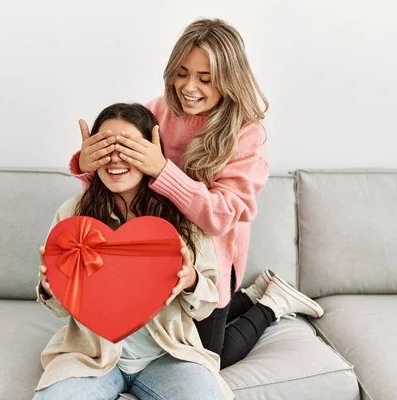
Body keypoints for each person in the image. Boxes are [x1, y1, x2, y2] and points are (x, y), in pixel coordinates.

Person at [70, 19, 324, 369]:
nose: (189, 87)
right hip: (158, 254)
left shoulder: (248, 135)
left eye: (205, 79)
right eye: (182, 73)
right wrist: (87, 163)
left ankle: (272, 304)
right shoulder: (158, 110)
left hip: (210, 263)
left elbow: (220, 218)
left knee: (210, 358)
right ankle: (250, 296)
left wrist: (162, 170)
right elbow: (115, 183)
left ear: (229, 78)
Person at [34, 103, 232, 400]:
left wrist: (190, 280)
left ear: (151, 150)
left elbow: (207, 304)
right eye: (105, 146)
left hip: (167, 357)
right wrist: (51, 289)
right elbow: (61, 309)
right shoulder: (72, 215)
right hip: (91, 356)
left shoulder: (181, 216)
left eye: (127, 146)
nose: (115, 158)